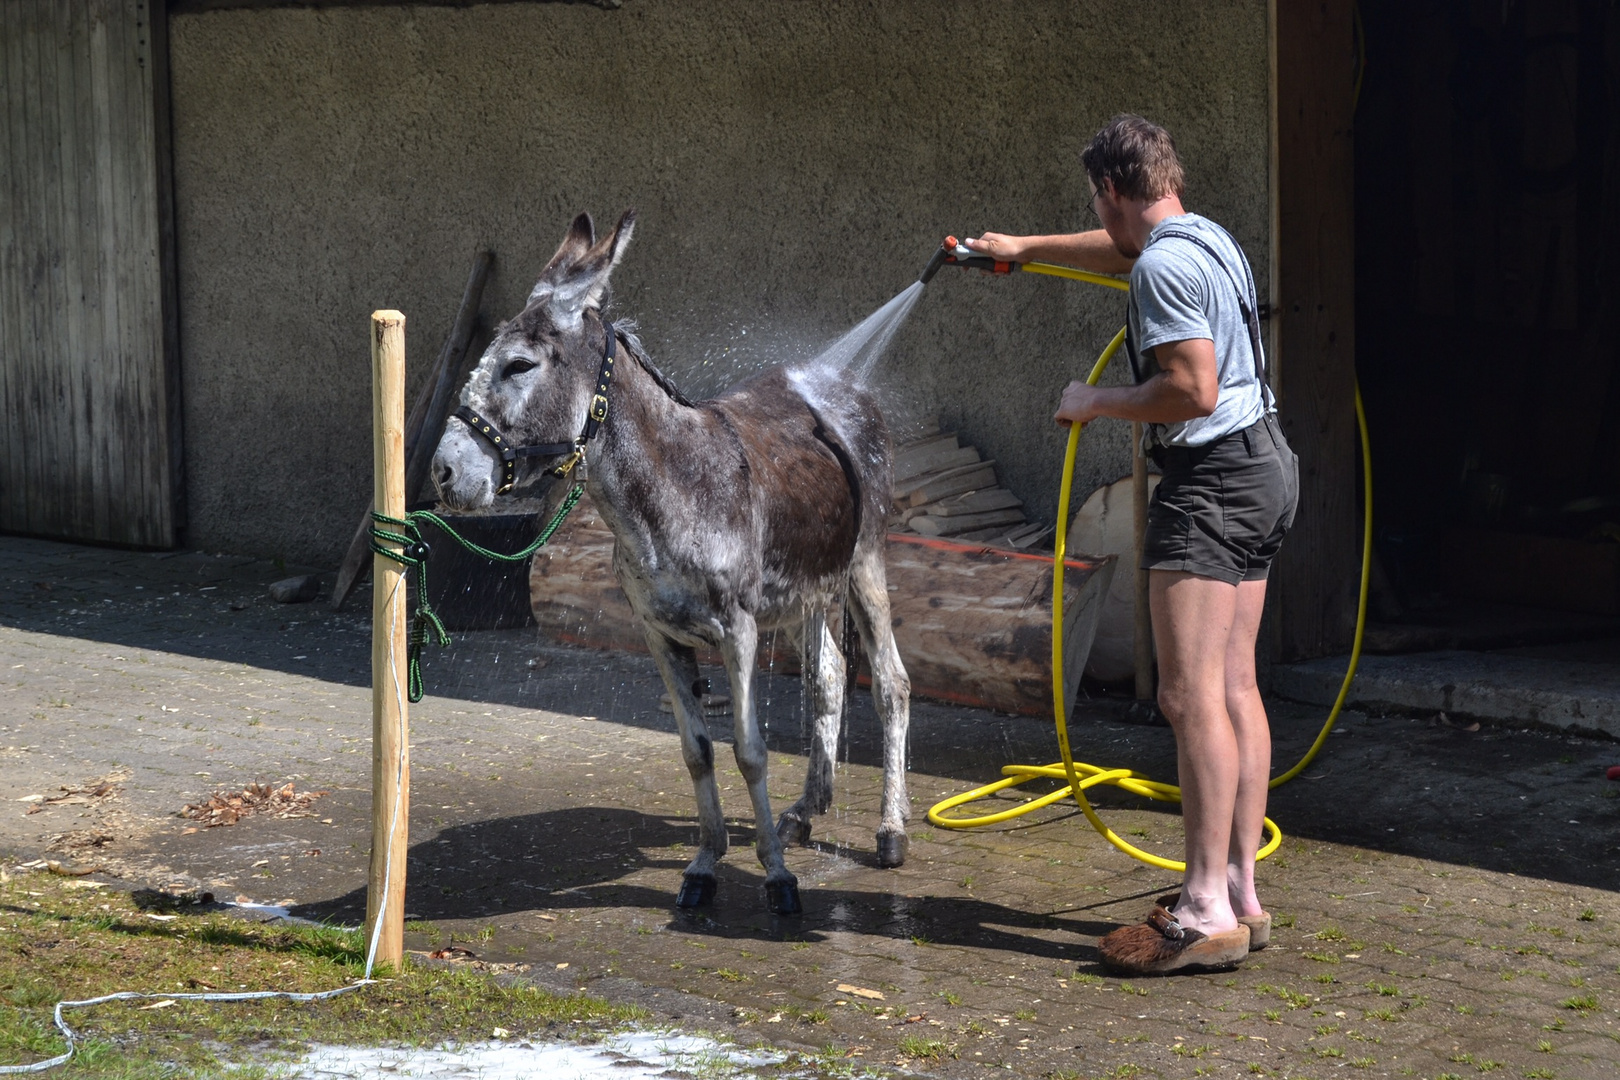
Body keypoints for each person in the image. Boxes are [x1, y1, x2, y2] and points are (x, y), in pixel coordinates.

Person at [966, 114, 1298, 975]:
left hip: (1212, 485)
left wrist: (1095, 401)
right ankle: (1241, 893)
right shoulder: (1201, 237)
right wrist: (1028, 248)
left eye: (1096, 202)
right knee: (1235, 686)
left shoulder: (1161, 267)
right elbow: (1124, 255)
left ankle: (1201, 907)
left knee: (1189, 698)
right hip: (1265, 468)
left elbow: (1190, 388)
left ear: (1112, 190)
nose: (1100, 217)